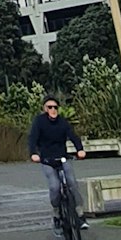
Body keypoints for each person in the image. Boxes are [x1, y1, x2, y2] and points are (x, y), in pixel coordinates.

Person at [28, 95, 88, 230]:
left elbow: (72, 136)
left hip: (62, 157)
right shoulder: (39, 122)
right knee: (55, 187)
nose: (53, 110)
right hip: (47, 160)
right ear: (45, 109)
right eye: (50, 107)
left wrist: (80, 150)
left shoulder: (63, 122)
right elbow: (32, 138)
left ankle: (80, 214)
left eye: (55, 107)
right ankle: (56, 212)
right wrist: (33, 154)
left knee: (72, 182)